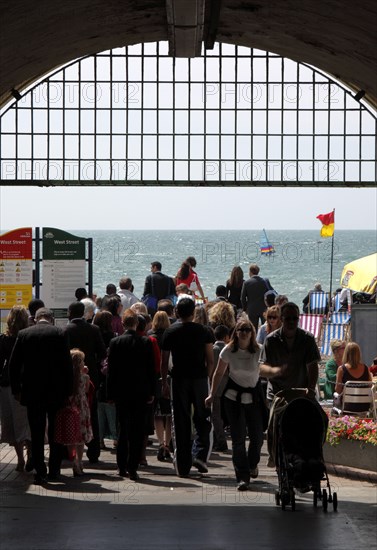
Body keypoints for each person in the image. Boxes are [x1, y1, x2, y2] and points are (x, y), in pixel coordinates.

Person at [205, 319, 279, 491]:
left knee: (257, 438)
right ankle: (242, 477)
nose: (244, 332)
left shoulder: (259, 350)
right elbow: (218, 373)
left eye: (247, 329)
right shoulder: (228, 350)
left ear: (252, 332)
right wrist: (212, 394)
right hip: (233, 398)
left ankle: (252, 465)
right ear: (235, 333)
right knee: (238, 440)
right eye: (240, 330)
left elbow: (269, 369)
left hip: (254, 397)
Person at [9, 308, 73, 484]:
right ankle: (54, 469)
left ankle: (39, 471)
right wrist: (69, 391)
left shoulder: (24, 334)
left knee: (36, 433)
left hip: (32, 392)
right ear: (51, 319)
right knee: (55, 431)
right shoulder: (60, 333)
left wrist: (16, 390)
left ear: (35, 319)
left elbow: (14, 366)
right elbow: (67, 366)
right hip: (56, 392)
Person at [160, 297, 215, 477]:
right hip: (199, 378)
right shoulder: (204, 331)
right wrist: (209, 378)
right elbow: (210, 359)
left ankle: (182, 466)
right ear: (193, 312)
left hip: (179, 379)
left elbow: (164, 361)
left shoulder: (170, 331)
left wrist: (164, 382)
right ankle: (200, 454)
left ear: (177, 313)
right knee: (202, 417)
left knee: (181, 421)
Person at [107, 309, 155, 481]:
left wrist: (110, 393)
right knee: (137, 430)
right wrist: (152, 392)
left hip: (121, 392)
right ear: (136, 323)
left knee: (122, 429)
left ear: (123, 323)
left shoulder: (115, 342)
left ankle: (121, 466)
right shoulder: (145, 342)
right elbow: (151, 370)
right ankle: (133, 467)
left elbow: (111, 371)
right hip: (140, 391)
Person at [63, 301, 107, 463]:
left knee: (68, 412)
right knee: (91, 413)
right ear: (83, 313)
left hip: (70, 378)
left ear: (70, 312)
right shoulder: (94, 330)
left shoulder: (64, 330)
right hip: (90, 378)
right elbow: (102, 353)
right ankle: (93, 451)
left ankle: (68, 449)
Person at [259, 302, 321, 404]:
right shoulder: (271, 340)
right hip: (276, 395)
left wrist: (311, 389)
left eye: (295, 318)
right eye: (288, 318)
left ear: (298, 319)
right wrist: (274, 371)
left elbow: (313, 366)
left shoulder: (308, 339)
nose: (291, 322)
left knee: (322, 419)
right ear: (281, 318)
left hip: (301, 394)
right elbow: (262, 368)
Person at [0, 306, 31, 472]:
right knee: (28, 422)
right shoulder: (28, 337)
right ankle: (31, 456)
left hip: (8, 384)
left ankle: (20, 460)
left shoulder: (4, 339)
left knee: (12, 423)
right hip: (27, 382)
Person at [55, 349, 93, 476]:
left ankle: (74, 460)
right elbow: (87, 390)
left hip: (69, 409)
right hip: (82, 408)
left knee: (71, 439)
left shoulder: (66, 378)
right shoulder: (85, 377)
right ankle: (80, 462)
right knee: (81, 438)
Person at [148, 311, 173, 461]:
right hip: (169, 376)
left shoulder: (150, 336)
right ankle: (167, 444)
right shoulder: (170, 335)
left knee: (157, 414)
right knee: (169, 415)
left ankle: (160, 443)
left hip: (154, 377)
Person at [92, 310, 118, 449]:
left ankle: (99, 439)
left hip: (95, 372)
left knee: (97, 409)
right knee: (111, 407)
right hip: (109, 373)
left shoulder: (94, 333)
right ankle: (115, 438)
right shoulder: (113, 336)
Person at [334, 342, 372, 412]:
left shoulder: (341, 369)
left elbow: (338, 390)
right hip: (364, 406)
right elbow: (370, 386)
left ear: (346, 353)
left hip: (347, 407)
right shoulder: (366, 368)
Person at [211, 324, 231, 452]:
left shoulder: (213, 349)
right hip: (227, 384)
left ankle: (220, 440)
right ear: (226, 337)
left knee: (215, 414)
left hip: (216, 386)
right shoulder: (228, 349)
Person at [241, 264, 273, 331]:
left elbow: (243, 298)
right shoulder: (264, 281)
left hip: (252, 309)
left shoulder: (247, 283)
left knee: (253, 329)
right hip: (263, 308)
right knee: (266, 327)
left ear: (250, 272)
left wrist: (245, 309)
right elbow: (270, 293)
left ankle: (254, 340)